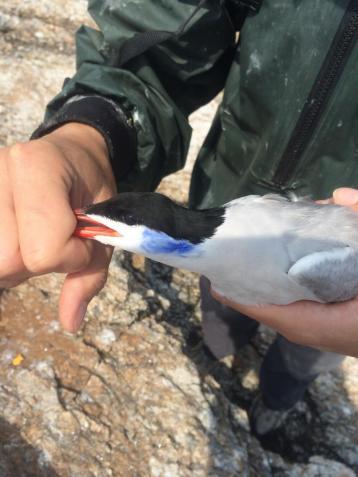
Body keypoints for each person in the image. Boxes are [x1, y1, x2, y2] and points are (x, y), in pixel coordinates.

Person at [1, 0, 357, 435]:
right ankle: (221, 350)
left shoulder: (318, 263)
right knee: (222, 311)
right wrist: (92, 131)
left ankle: (278, 398)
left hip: (330, 285)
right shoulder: (239, 212)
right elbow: (164, 35)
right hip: (235, 194)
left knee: (304, 356)